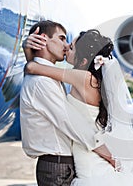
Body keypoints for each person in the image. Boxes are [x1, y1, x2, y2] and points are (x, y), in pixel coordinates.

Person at [24, 29, 133, 185]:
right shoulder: (90, 80)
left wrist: (29, 50)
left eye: (71, 47)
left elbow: (33, 69)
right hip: (88, 151)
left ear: (84, 61)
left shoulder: (83, 78)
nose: (66, 47)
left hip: (88, 155)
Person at [20, 20, 100, 186]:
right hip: (56, 165)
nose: (65, 45)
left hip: (63, 163)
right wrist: (104, 151)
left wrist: (30, 57)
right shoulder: (42, 81)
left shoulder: (50, 76)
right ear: (43, 39)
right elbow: (68, 121)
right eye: (62, 38)